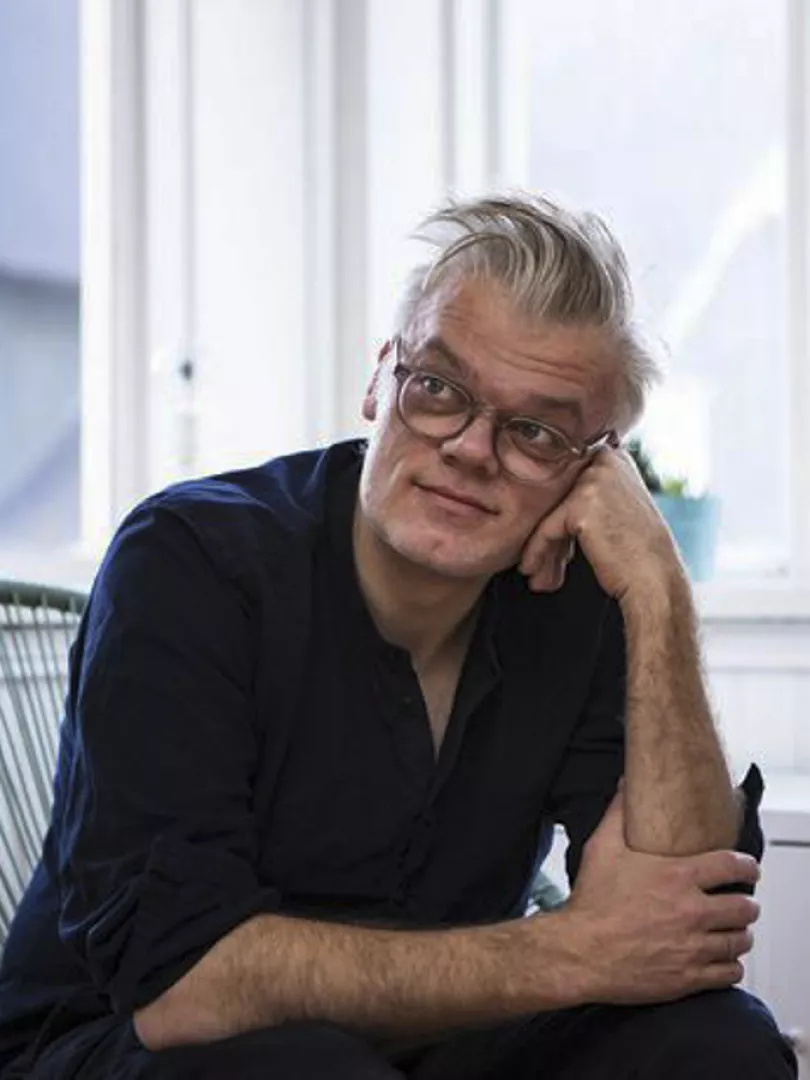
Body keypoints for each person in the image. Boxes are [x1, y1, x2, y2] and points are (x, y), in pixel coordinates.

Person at [0, 194, 797, 1079]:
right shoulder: (190, 562)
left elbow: (686, 919)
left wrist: (658, 589)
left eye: (536, 432)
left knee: (715, 1039)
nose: (471, 448)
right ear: (382, 381)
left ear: (595, 466)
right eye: (439, 389)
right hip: (130, 1049)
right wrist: (572, 952)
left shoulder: (578, 591)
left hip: (442, 1037)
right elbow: (184, 988)